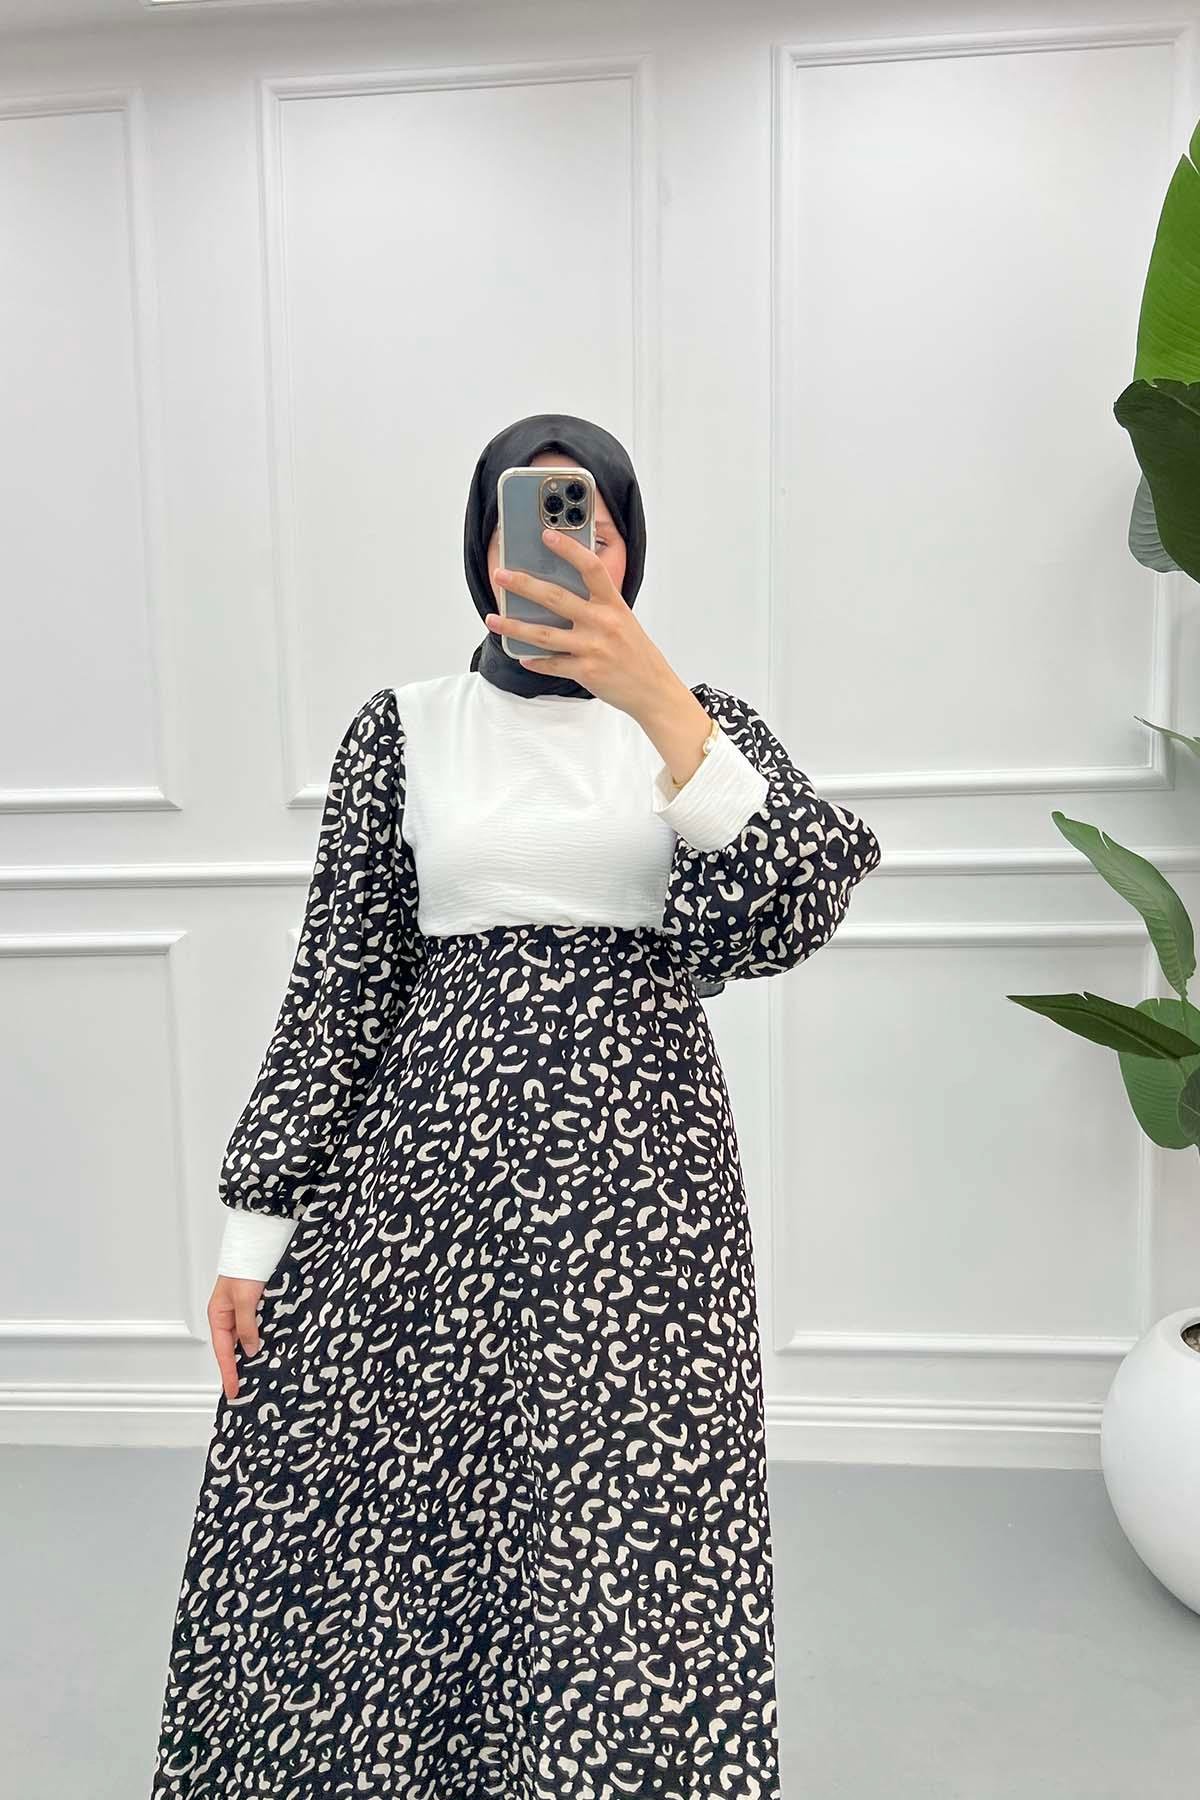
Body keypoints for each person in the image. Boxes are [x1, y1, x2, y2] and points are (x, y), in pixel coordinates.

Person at [149, 412, 882, 1799]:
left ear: (627, 543)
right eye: (523, 517)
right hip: (419, 1190)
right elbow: (340, 990)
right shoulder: (404, 730)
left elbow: (785, 914)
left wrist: (662, 706)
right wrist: (254, 1231)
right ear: (481, 545)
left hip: (642, 1200)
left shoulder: (699, 728)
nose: (553, 544)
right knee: (385, 1510)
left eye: (584, 516)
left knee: (628, 1523)